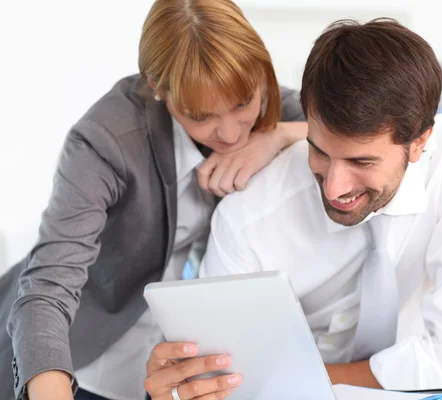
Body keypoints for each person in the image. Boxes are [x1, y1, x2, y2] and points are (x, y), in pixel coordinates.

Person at [143, 18, 442, 399]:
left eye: (361, 162)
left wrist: (303, 381)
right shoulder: (248, 217)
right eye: (318, 150)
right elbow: (225, 381)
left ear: (419, 143)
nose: (335, 187)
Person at [0, 0, 307, 399]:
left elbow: (350, 131)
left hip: (171, 370)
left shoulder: (264, 99)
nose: (232, 134)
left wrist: (279, 135)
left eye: (242, 104)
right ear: (158, 88)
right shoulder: (104, 140)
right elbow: (47, 287)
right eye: (202, 117)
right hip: (77, 356)